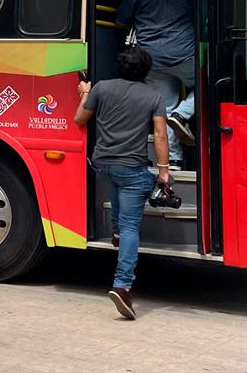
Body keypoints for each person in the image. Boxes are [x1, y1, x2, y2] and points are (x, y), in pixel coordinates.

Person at [73, 47, 171, 321]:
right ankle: (123, 285)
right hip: (131, 167)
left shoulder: (102, 88)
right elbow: (160, 135)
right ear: (146, 71)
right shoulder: (154, 96)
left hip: (103, 163)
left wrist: (84, 93)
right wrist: (163, 172)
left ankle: (115, 233)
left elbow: (80, 118)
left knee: (118, 189)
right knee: (131, 225)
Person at [116, 0, 196, 166]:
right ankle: (184, 113)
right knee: (211, 84)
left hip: (150, 60)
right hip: (184, 56)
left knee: (164, 107)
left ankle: (173, 159)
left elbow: (121, 18)